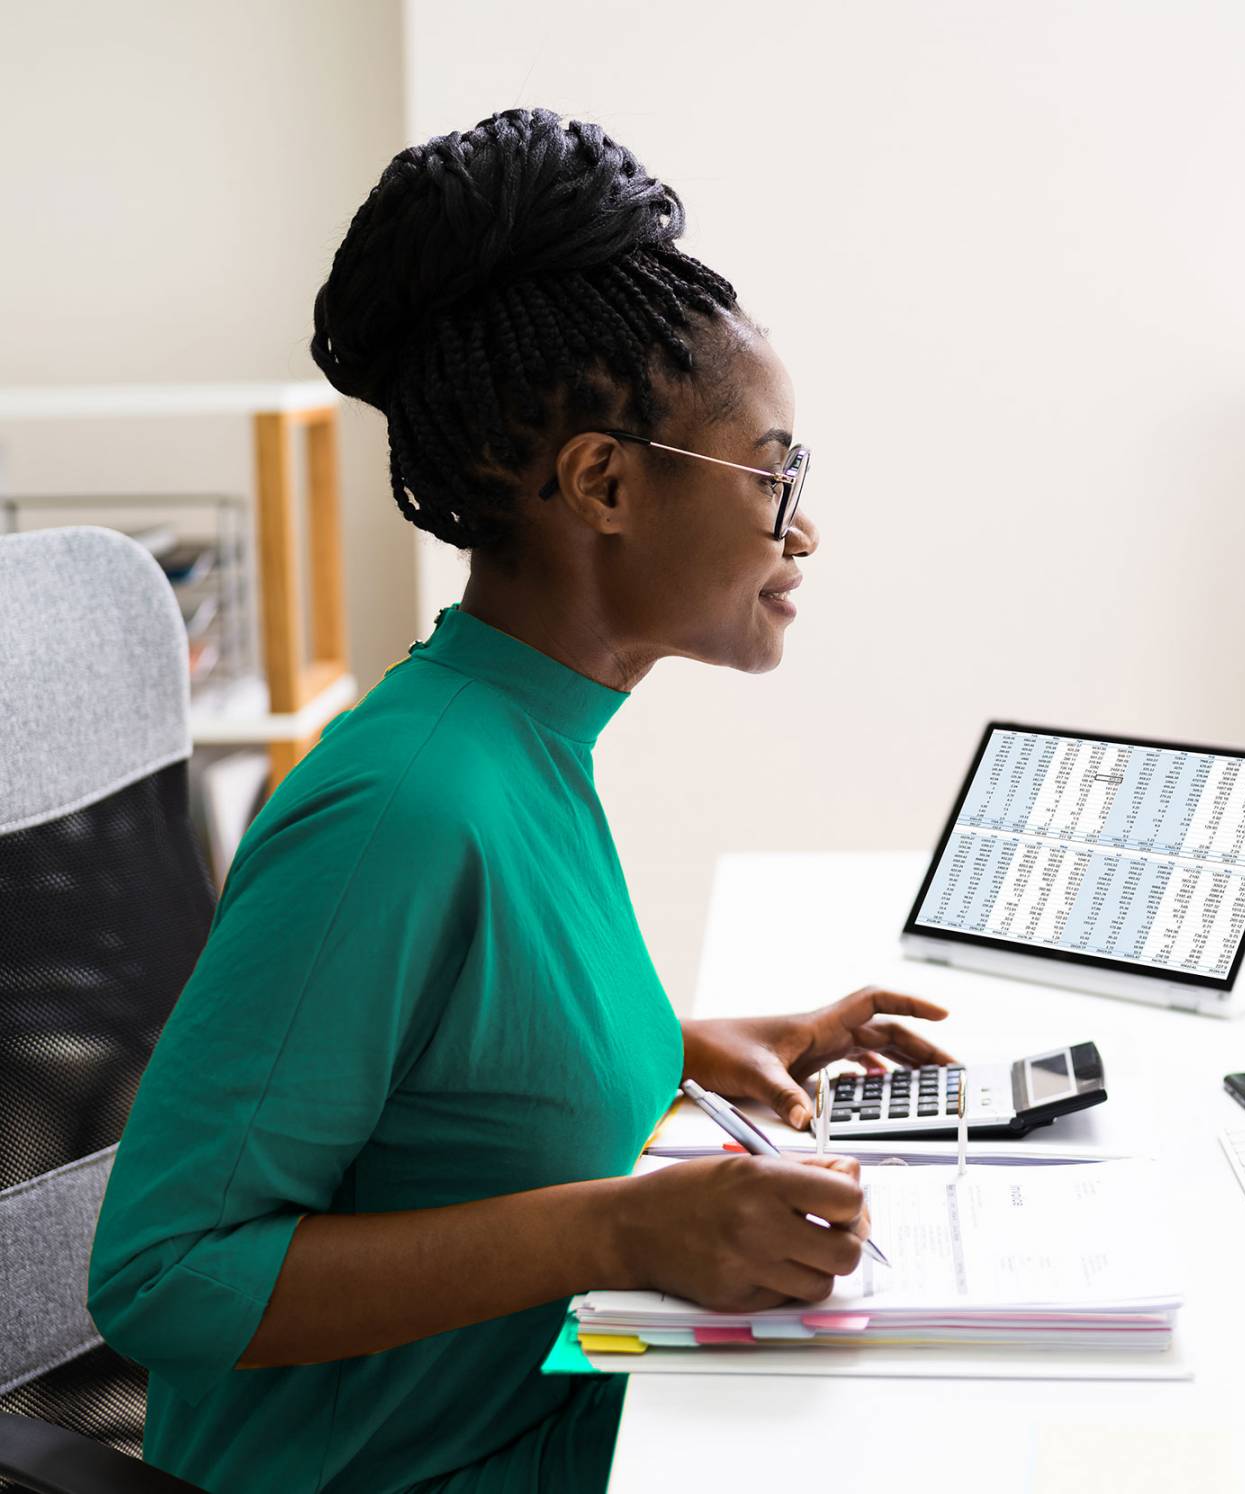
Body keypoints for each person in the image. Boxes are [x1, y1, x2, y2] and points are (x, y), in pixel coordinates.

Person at [85, 107, 947, 1492]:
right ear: (602, 483)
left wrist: (675, 1047)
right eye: (775, 469)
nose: (802, 525)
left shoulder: (523, 738)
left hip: (537, 1429)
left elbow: (453, 1074)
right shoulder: (404, 808)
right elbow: (165, 1276)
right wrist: (617, 1229)